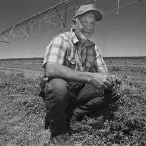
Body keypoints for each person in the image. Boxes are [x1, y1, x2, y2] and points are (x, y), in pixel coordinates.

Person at [40, 4, 121, 146]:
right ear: (74, 23)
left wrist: (109, 78)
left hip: (79, 91)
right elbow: (51, 69)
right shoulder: (62, 40)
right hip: (61, 91)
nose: (88, 27)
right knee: (57, 85)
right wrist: (90, 77)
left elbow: (103, 73)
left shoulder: (93, 47)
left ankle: (74, 112)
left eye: (92, 23)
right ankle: (58, 133)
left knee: (111, 91)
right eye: (84, 22)